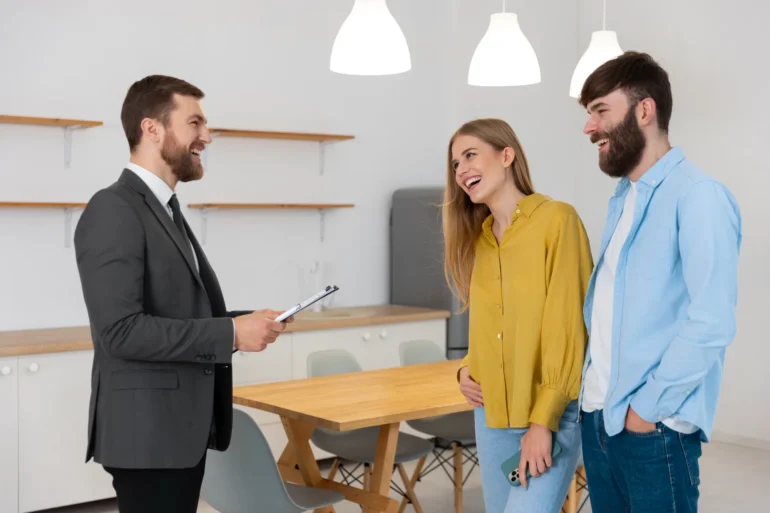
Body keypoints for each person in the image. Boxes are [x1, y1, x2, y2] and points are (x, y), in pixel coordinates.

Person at [73, 75, 292, 513]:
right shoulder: (113, 208)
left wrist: (250, 321)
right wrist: (230, 334)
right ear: (152, 128)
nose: (206, 136)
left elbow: (180, 311)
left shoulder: (163, 209)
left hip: (173, 433)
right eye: (195, 123)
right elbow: (119, 332)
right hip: (148, 437)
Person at [577, 51, 742, 513]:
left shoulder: (698, 195)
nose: (589, 129)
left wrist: (646, 411)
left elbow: (711, 321)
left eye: (600, 111)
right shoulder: (624, 197)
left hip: (652, 431)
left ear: (644, 110)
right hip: (601, 423)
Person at [446, 118, 594, 513]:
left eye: (470, 155)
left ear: (507, 155)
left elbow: (569, 330)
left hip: (549, 415)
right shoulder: (480, 239)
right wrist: (465, 367)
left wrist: (542, 423)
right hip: (490, 415)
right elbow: (488, 326)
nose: (461, 170)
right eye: (455, 163)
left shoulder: (557, 221)